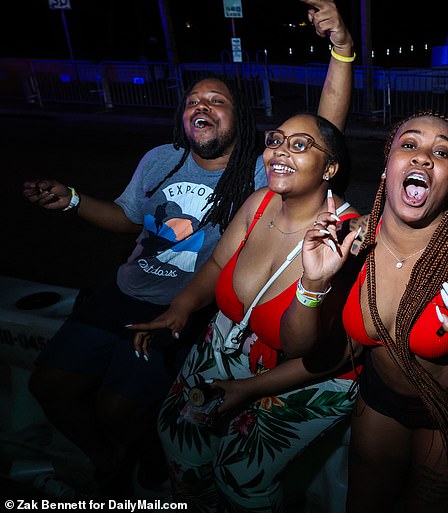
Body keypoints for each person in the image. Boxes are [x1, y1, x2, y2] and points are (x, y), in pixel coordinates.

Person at [21, 0, 350, 496]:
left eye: (217, 100)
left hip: (192, 314)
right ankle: (109, 461)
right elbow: (126, 217)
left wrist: (341, 52)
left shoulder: (259, 171)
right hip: (125, 292)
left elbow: (322, 136)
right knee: (47, 385)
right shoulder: (160, 159)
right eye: (194, 100)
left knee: (119, 408)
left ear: (238, 119)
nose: (202, 105)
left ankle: (144, 464)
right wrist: (70, 199)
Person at [126, 1, 358, 511]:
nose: (280, 151)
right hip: (225, 344)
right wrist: (181, 308)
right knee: (176, 437)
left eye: (298, 146)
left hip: (303, 376)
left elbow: (326, 354)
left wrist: (342, 49)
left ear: (330, 168)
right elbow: (213, 267)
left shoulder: (345, 236)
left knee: (240, 480)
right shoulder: (257, 202)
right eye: (276, 141)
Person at [280, 109, 448, 513]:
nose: (422, 157)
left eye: (442, 153)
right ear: (388, 165)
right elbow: (297, 346)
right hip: (378, 405)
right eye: (409, 144)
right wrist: (313, 283)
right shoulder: (353, 240)